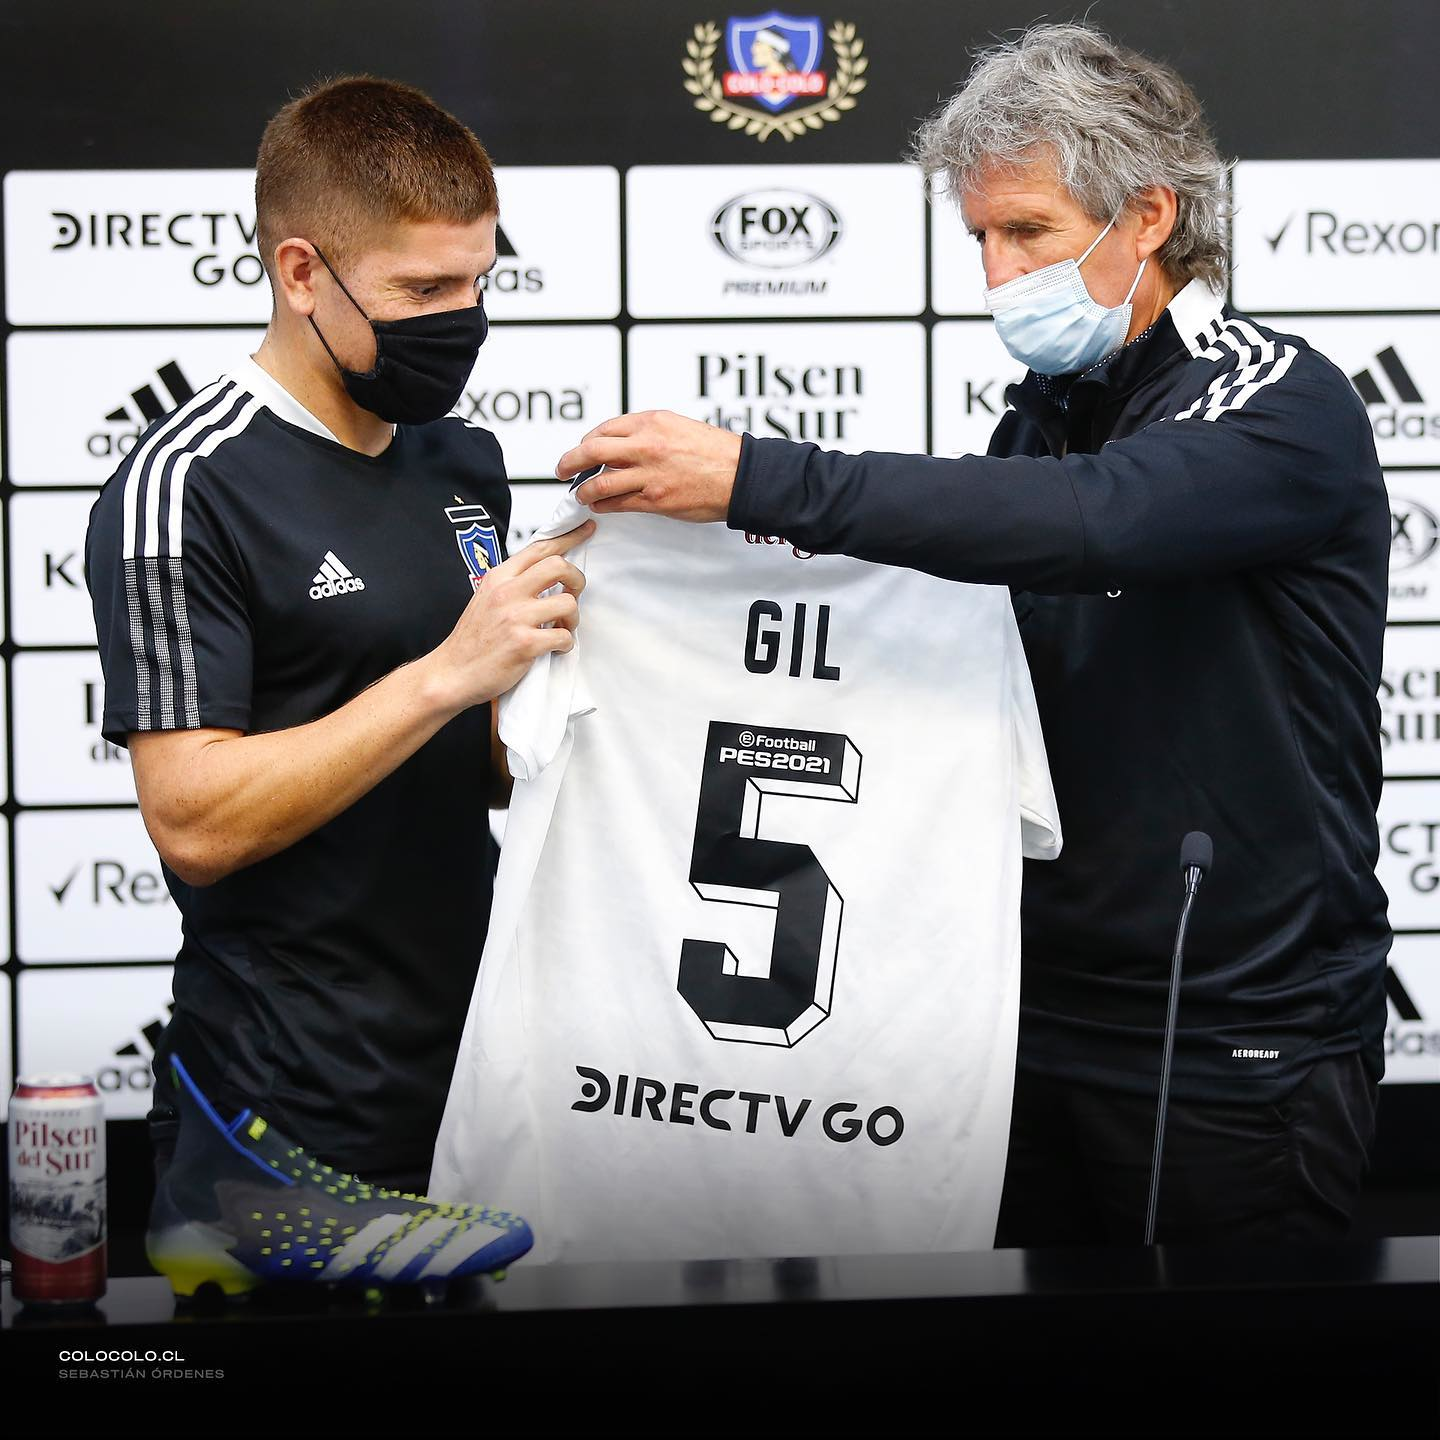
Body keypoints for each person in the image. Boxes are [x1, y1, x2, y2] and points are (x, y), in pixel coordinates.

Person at [554, 24, 1391, 1246]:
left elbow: (1093, 524)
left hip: (1227, 1039)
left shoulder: (1281, 402)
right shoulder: (1044, 418)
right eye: (982, 239)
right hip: (1011, 1015)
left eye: (1031, 234)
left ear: (1149, 216)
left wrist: (753, 475)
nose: (999, 275)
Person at [86, 75, 590, 1199]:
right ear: (301, 272)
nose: (462, 318)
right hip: (285, 1113)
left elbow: (486, 760)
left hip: (484, 1074)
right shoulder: (188, 485)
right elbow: (194, 820)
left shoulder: (459, 460)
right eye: (422, 287)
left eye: (477, 281)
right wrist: (449, 674)